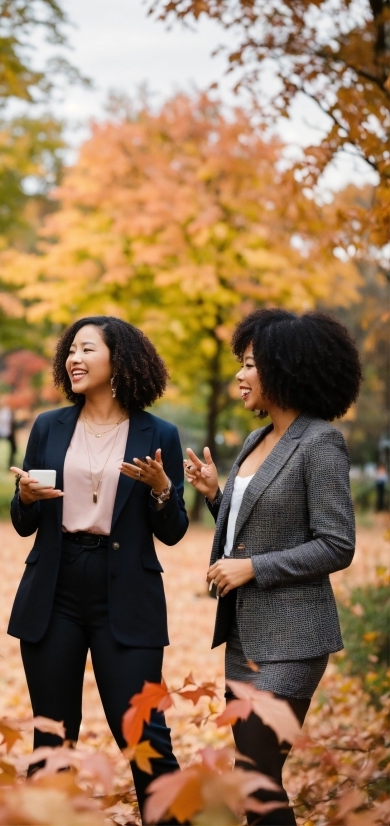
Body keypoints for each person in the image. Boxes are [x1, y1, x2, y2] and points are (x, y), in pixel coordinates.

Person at [185, 308, 362, 826]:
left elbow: (337, 544)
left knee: (258, 779)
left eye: (249, 364)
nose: (240, 376)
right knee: (251, 779)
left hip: (292, 638)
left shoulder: (320, 442)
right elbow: (253, 529)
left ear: (285, 367)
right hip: (244, 637)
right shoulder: (254, 442)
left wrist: (253, 568)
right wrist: (217, 495)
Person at [9, 316, 188, 822]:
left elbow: (173, 530)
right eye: (70, 350)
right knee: (52, 735)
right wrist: (23, 497)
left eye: (86, 349)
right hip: (55, 586)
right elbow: (23, 521)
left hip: (126, 590)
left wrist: (161, 489)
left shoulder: (159, 434)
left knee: (142, 731)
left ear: (119, 360)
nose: (73, 358)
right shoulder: (48, 426)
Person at [0, 401, 17, 469]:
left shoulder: (8, 412)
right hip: (2, 433)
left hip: (8, 433)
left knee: (12, 449)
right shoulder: (0, 413)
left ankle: (10, 463)